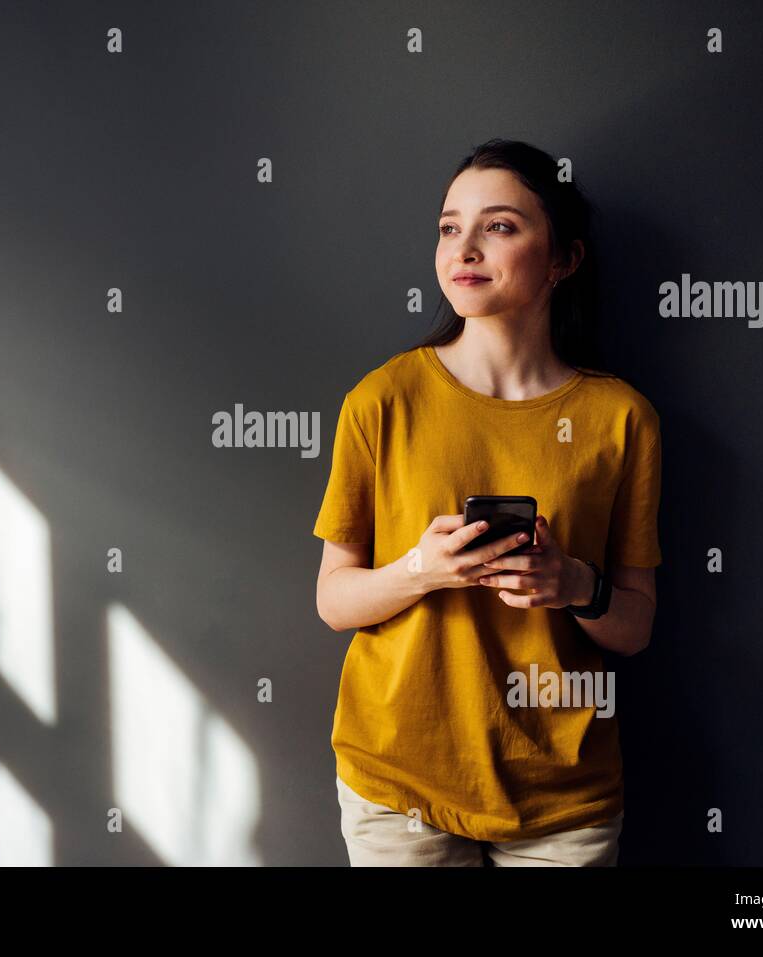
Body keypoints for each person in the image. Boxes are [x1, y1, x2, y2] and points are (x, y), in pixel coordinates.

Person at [313, 139, 662, 866]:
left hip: (563, 790)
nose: (463, 247)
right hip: (398, 778)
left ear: (563, 258)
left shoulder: (622, 418)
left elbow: (634, 627)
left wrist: (572, 583)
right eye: (449, 227)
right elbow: (334, 600)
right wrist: (422, 568)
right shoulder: (381, 399)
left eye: (499, 226)